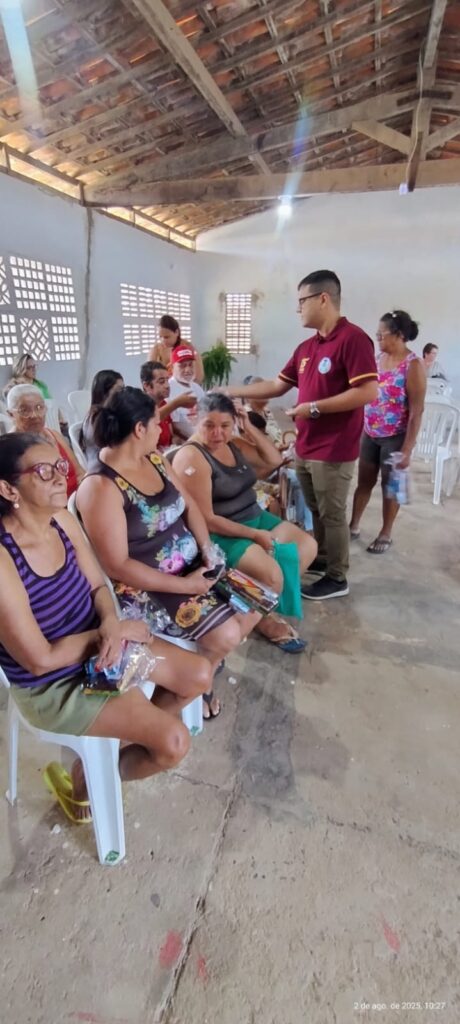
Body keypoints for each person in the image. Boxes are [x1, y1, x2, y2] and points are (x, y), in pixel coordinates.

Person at [0, 432, 212, 823]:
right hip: (53, 684)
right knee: (173, 743)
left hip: (102, 645)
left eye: (59, 466)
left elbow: (98, 585)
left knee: (199, 674)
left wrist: (112, 623)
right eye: (43, 471)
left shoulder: (61, 519)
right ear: (8, 489)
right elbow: (39, 660)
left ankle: (98, 763)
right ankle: (85, 788)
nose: (60, 477)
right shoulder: (4, 558)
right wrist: (108, 634)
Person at [76, 387, 261, 719]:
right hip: (149, 586)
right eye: (156, 423)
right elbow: (117, 565)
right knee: (229, 632)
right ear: (139, 429)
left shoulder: (155, 460)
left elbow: (190, 506)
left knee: (253, 606)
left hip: (193, 566)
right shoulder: (100, 486)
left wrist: (207, 549)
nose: (161, 429)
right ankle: (174, 704)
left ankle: (198, 677)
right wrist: (186, 586)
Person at [224, 270, 378, 600]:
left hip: (334, 447)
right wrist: (228, 390)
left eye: (302, 301)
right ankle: (324, 556)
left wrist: (315, 408)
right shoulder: (307, 347)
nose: (298, 309)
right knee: (316, 508)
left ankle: (337, 577)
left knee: (333, 513)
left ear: (323, 299)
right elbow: (276, 385)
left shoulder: (353, 339)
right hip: (307, 445)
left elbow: (368, 391)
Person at [172, 394, 317, 652]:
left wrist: (247, 426)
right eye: (209, 425)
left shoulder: (233, 443)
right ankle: (262, 616)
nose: (217, 433)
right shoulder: (192, 457)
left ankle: (259, 606)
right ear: (196, 420)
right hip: (220, 532)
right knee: (271, 575)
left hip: (254, 516)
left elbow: (274, 460)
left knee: (307, 546)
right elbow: (206, 520)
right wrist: (253, 534)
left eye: (225, 425)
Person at [349, 311, 426, 553]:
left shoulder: (413, 365)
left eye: (381, 334)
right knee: (364, 482)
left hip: (395, 437)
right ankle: (353, 525)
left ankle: (385, 532)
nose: (378, 338)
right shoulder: (377, 358)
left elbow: (417, 411)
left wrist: (407, 450)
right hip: (370, 432)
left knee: (389, 488)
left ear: (399, 335)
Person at [7, 384, 84, 497]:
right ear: (10, 414)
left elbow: (79, 472)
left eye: (39, 407)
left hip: (77, 497)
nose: (34, 415)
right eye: (25, 410)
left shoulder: (54, 435)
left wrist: (84, 495)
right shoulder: (8, 449)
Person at [140, 360, 197, 451]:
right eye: (161, 382)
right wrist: (177, 403)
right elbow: (151, 419)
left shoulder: (164, 404)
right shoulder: (139, 406)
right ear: (147, 386)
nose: (167, 386)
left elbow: (171, 435)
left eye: (167, 380)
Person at [4, 352, 68, 432]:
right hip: (31, 423)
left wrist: (60, 417)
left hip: (49, 420)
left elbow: (52, 403)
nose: (33, 370)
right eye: (29, 367)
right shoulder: (15, 387)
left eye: (34, 366)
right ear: (21, 369)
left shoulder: (40, 384)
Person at [80, 369, 124, 468]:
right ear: (104, 392)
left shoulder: (105, 414)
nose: (123, 394)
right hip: (102, 468)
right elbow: (114, 448)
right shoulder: (98, 417)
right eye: (119, 390)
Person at [148, 314, 204, 384]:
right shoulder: (156, 349)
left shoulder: (188, 348)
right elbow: (148, 376)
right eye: (160, 337)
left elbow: (199, 377)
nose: (163, 340)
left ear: (177, 332)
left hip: (185, 386)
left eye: (166, 337)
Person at [168, 345, 205, 440]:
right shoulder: (168, 389)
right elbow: (174, 426)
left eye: (190, 365)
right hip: (189, 440)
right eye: (182, 366)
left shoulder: (196, 387)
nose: (188, 370)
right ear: (172, 367)